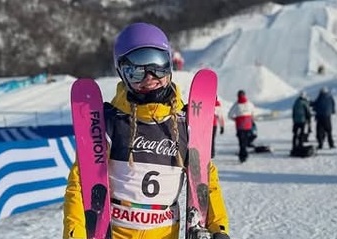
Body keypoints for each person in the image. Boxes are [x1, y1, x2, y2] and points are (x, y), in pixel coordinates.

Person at [63, 22, 230, 239]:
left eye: (157, 64)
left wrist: (219, 227)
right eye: (136, 71)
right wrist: (75, 233)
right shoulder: (111, 122)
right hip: (117, 232)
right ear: (122, 73)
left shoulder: (184, 123)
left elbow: (205, 179)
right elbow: (81, 181)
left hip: (165, 233)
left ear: (169, 65)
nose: (149, 77)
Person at [227, 90, 255, 163]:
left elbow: (229, 115)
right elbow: (253, 113)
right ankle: (244, 153)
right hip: (248, 125)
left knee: (241, 142)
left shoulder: (236, 105)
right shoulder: (249, 104)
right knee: (246, 140)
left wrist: (235, 119)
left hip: (240, 125)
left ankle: (242, 156)